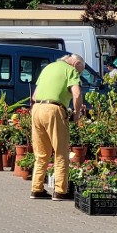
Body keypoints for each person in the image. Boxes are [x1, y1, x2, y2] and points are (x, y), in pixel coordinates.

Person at [30, 53, 85, 201]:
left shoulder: (48, 67)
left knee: (41, 154)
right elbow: (77, 94)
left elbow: (34, 95)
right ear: (77, 64)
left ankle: (36, 188)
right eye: (81, 71)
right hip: (54, 110)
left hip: (36, 108)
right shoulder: (71, 70)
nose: (79, 74)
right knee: (61, 152)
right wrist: (76, 113)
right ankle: (60, 190)